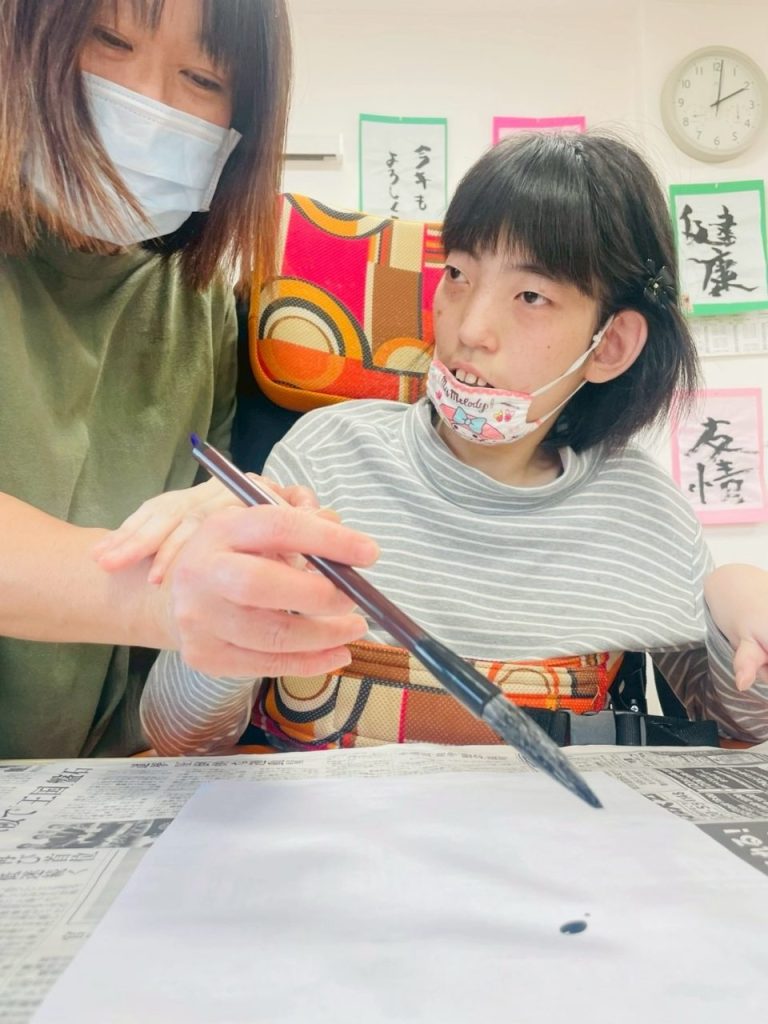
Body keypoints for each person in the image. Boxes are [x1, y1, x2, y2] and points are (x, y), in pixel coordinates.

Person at [98, 131, 768, 755]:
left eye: (530, 296)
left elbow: (742, 732)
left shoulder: (644, 513)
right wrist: (232, 614)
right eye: (457, 274)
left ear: (610, 344)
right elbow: (181, 737)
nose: (469, 328)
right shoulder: (324, 456)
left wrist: (734, 596)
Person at [0, 0, 378, 760]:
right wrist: (155, 597)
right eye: (108, 40)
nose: (148, 105)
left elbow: (175, 709)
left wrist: (242, 573)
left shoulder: (199, 303)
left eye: (203, 79)